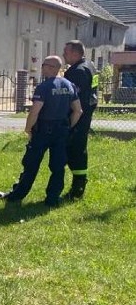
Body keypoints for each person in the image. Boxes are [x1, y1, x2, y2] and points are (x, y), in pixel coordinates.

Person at [0, 56, 82, 206]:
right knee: (58, 167)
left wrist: (28, 129)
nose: (42, 68)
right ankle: (52, 199)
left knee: (31, 164)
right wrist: (68, 127)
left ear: (50, 67)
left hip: (43, 131)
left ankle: (16, 196)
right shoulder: (69, 85)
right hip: (61, 131)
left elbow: (35, 112)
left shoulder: (44, 87)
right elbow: (78, 111)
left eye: (43, 65)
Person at [62, 40, 98, 200]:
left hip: (77, 117)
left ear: (76, 54)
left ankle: (78, 189)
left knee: (75, 150)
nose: (64, 54)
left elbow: (74, 99)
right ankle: (79, 185)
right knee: (78, 149)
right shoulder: (90, 65)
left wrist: (70, 121)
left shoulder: (78, 71)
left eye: (66, 52)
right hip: (86, 115)